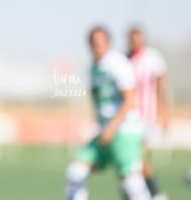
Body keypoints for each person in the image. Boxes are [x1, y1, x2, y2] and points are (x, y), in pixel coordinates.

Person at [63, 26, 151, 200]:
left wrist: (112, 127)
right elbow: (98, 100)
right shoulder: (93, 68)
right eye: (94, 44)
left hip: (125, 130)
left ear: (108, 43)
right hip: (106, 132)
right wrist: (100, 125)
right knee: (76, 172)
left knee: (131, 182)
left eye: (101, 43)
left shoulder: (118, 64)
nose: (97, 47)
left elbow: (131, 100)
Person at [128, 27, 169, 200]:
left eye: (138, 37)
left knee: (137, 157)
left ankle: (155, 193)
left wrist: (164, 113)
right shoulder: (126, 58)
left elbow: (161, 88)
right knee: (130, 159)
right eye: (132, 38)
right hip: (129, 116)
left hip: (146, 116)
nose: (135, 41)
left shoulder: (153, 58)